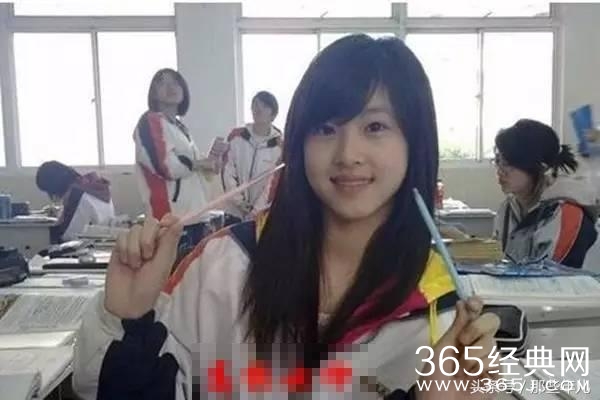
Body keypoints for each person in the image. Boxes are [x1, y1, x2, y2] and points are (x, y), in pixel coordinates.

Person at [73, 35, 500, 400]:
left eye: (375, 127)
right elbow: (114, 387)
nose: (348, 154)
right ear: (297, 144)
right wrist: (123, 321)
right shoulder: (222, 267)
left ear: (415, 141)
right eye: (325, 129)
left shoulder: (441, 314)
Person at [133, 68, 219, 259]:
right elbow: (164, 165)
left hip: (194, 217)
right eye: (162, 82)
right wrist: (197, 164)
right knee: (172, 276)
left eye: (175, 82)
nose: (171, 87)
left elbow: (193, 171)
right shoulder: (150, 121)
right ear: (153, 92)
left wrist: (210, 164)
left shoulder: (180, 127)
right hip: (168, 220)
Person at [492, 119, 598, 268]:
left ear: (540, 168)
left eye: (508, 163)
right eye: (498, 161)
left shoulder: (567, 215)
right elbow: (500, 262)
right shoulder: (508, 209)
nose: (500, 170)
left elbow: (553, 277)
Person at [222, 91, 283, 220]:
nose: (258, 109)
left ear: (273, 115)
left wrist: (254, 212)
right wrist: (240, 202)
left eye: (265, 106)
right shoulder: (236, 137)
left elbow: (273, 183)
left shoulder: (280, 146)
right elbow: (228, 173)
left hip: (262, 216)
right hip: (234, 212)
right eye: (255, 104)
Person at [36, 161, 115, 243]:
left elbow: (68, 235)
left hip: (86, 245)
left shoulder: (77, 194)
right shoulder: (93, 185)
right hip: (104, 241)